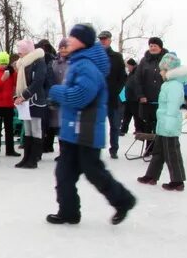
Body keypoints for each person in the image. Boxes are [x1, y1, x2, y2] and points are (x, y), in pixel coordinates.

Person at [46, 24, 136, 226]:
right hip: (73, 129)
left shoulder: (87, 65)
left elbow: (80, 96)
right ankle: (68, 212)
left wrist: (56, 92)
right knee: (64, 173)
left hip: (86, 130)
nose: (68, 40)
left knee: (94, 172)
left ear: (83, 41)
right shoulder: (79, 62)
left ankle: (124, 201)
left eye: (73, 37)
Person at [137, 52, 187, 191]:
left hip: (168, 124)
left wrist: (169, 124)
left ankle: (177, 181)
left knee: (172, 153)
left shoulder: (174, 86)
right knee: (158, 152)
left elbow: (173, 106)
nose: (160, 72)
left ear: (169, 70)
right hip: (163, 123)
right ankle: (151, 175)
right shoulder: (168, 84)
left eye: (162, 70)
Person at [12, 41, 47, 168]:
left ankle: (34, 158)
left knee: (36, 129)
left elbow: (38, 81)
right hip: (24, 102)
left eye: (21, 49)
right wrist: (18, 96)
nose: (18, 52)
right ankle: (26, 157)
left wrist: (25, 95)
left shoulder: (39, 62)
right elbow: (20, 82)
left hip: (36, 101)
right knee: (27, 130)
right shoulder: (22, 63)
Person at [133, 36, 168, 147]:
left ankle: (159, 148)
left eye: (155, 46)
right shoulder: (144, 61)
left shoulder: (166, 60)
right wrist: (140, 95)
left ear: (160, 47)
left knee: (160, 124)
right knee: (148, 124)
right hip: (146, 99)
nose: (152, 48)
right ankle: (149, 147)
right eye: (151, 46)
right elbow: (137, 79)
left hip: (162, 99)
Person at [98, 31, 126, 159]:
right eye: (101, 39)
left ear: (110, 40)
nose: (103, 41)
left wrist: (116, 90)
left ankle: (114, 149)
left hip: (113, 97)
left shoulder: (117, 56)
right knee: (98, 125)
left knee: (114, 125)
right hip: (98, 98)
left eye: (105, 39)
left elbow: (123, 77)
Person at [120, 58, 140, 134]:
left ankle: (138, 129)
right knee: (126, 115)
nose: (128, 68)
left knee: (136, 116)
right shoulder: (130, 74)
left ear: (132, 65)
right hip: (128, 98)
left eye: (128, 66)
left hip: (134, 98)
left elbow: (135, 85)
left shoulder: (136, 73)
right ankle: (123, 129)